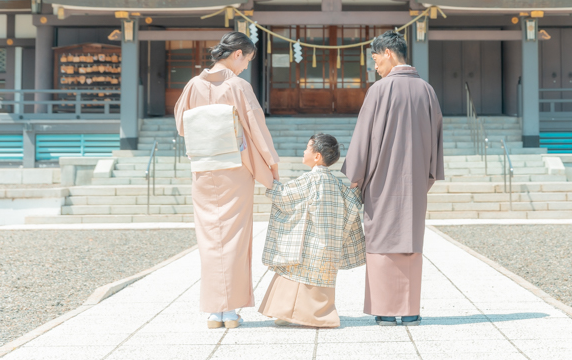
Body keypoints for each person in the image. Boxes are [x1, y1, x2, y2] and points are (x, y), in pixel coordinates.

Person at [174, 31, 280, 329]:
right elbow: (256, 128)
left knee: (209, 238)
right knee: (234, 237)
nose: (246, 66)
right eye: (246, 59)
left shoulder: (193, 85)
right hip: (235, 167)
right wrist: (271, 164)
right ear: (237, 54)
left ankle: (213, 311)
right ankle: (231, 310)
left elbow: (182, 125)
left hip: (205, 169)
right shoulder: (238, 85)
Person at [342, 30, 444, 326]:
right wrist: (428, 175)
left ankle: (385, 309)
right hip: (413, 182)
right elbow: (436, 140)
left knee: (382, 238)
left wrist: (355, 177)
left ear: (388, 53)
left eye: (375, 59)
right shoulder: (427, 90)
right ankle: (410, 309)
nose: (375, 66)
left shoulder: (380, 90)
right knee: (409, 240)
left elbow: (362, 139)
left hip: (382, 181)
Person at [258, 133, 365, 328]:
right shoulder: (337, 184)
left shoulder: (310, 180)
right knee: (319, 279)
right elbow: (352, 204)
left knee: (296, 272)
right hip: (329, 247)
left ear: (317, 156)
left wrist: (270, 180)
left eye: (308, 148)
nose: (304, 151)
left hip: (308, 245)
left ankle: (292, 313)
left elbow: (284, 196)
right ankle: (318, 314)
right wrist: (355, 188)